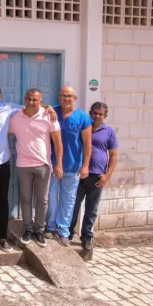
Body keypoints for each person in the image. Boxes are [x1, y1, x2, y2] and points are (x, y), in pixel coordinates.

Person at [0, 84, 57, 252]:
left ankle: (3, 237)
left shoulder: (9, 108)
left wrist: (48, 107)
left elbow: (32, 107)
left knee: (3, 201)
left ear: (0, 96)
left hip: (3, 164)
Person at [8, 89, 63, 247]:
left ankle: (39, 230)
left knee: (42, 200)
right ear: (24, 99)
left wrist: (58, 164)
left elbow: (58, 142)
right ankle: (28, 229)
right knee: (25, 198)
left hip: (43, 166)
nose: (31, 102)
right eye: (28, 98)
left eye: (35, 99)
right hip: (23, 165)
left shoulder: (48, 116)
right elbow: (5, 134)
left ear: (41, 101)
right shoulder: (16, 117)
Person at [46, 86, 92, 247]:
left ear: (75, 98)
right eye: (63, 95)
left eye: (69, 96)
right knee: (50, 198)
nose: (66, 98)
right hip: (52, 164)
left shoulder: (83, 117)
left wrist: (85, 165)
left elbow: (87, 143)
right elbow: (38, 106)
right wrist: (48, 107)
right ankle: (50, 226)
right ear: (59, 97)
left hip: (73, 166)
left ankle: (63, 230)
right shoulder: (53, 112)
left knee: (68, 199)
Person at [70, 102, 118, 250]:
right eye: (95, 112)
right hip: (79, 173)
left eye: (100, 114)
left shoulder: (109, 131)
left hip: (97, 176)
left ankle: (87, 237)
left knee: (91, 209)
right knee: (73, 206)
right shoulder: (84, 127)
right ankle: (68, 233)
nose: (97, 116)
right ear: (90, 112)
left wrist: (107, 175)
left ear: (105, 115)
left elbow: (114, 155)